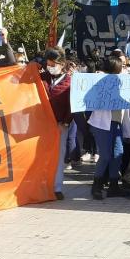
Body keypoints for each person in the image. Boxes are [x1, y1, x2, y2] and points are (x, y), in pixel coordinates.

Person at [88, 56, 130, 200]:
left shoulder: (123, 81)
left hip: (117, 124)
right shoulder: (100, 80)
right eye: (122, 66)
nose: (124, 69)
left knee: (117, 154)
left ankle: (114, 186)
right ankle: (97, 185)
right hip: (102, 124)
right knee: (106, 155)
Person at [39, 47, 72, 200]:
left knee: (59, 156)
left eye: (53, 64)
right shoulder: (41, 77)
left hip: (60, 125)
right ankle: (41, 185)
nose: (50, 67)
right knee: (41, 156)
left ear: (62, 63)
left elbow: (73, 105)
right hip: (41, 125)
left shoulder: (70, 80)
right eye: (48, 64)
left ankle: (57, 187)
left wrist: (65, 122)